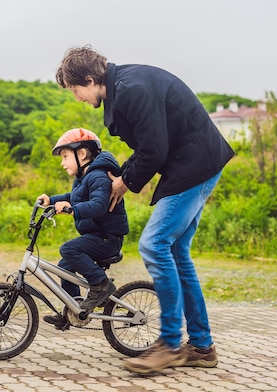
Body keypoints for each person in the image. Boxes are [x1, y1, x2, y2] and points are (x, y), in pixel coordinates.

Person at [56, 45, 235, 373]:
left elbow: (154, 149)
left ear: (92, 79)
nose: (77, 98)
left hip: (194, 165)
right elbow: (150, 145)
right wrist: (124, 174)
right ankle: (201, 347)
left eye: (76, 89)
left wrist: (124, 181)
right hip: (195, 163)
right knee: (177, 252)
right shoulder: (124, 86)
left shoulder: (131, 89)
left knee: (153, 245)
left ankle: (168, 344)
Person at [37, 127, 129, 330]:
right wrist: (51, 200)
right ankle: (73, 310)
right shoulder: (84, 178)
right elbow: (73, 197)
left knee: (69, 249)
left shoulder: (98, 176)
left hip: (108, 238)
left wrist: (71, 210)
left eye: (65, 156)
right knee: (65, 265)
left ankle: (101, 285)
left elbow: (99, 205)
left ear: (82, 154)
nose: (62, 163)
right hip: (97, 236)